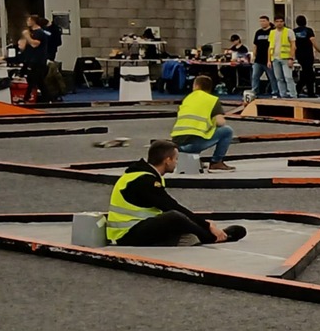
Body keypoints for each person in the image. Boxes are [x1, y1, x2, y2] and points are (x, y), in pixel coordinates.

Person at [106, 140, 248, 247]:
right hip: (128, 235)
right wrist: (206, 225)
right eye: (176, 159)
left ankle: (204, 236)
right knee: (174, 216)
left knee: (177, 219)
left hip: (138, 228)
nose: (176, 162)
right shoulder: (144, 180)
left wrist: (201, 224)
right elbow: (171, 206)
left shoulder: (141, 175)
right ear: (167, 161)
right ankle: (213, 238)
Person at [167, 73, 235, 172]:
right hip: (192, 145)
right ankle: (216, 162)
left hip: (177, 144)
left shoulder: (187, 98)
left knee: (198, 132)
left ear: (196, 86)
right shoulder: (211, 100)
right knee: (227, 131)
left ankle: (196, 160)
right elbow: (220, 122)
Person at [266, 15, 298, 98]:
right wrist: (269, 60)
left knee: (288, 77)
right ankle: (283, 95)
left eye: (281, 21)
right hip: (275, 58)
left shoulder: (289, 31)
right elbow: (270, 47)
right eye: (277, 21)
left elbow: (293, 46)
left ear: (283, 22)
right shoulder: (272, 32)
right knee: (279, 78)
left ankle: (293, 95)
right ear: (274, 22)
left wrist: (291, 58)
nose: (279, 23)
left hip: (286, 58)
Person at [252, 17, 272, 97]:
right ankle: (254, 91)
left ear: (268, 21)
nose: (262, 23)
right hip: (258, 59)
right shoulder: (258, 32)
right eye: (261, 21)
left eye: (264, 21)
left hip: (268, 59)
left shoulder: (272, 31)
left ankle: (275, 91)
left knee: (272, 77)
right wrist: (254, 55)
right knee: (255, 76)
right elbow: (255, 45)